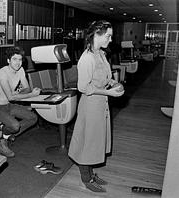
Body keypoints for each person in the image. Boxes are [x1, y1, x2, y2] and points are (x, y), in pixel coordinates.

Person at [68, 20, 125, 193]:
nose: (110, 39)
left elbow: (105, 77)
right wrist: (109, 93)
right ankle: (86, 179)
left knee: (95, 141)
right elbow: (83, 88)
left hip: (101, 104)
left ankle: (91, 174)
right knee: (88, 141)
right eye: (108, 36)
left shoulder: (101, 54)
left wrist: (114, 83)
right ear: (97, 35)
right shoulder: (87, 58)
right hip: (91, 105)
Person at [0, 46, 41, 157]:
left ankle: (4, 136)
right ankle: (3, 138)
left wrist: (20, 93)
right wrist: (31, 95)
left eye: (20, 59)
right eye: (14, 59)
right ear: (8, 61)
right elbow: (12, 97)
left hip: (8, 105)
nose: (18, 63)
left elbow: (27, 88)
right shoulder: (3, 74)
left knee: (33, 117)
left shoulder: (20, 70)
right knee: (15, 126)